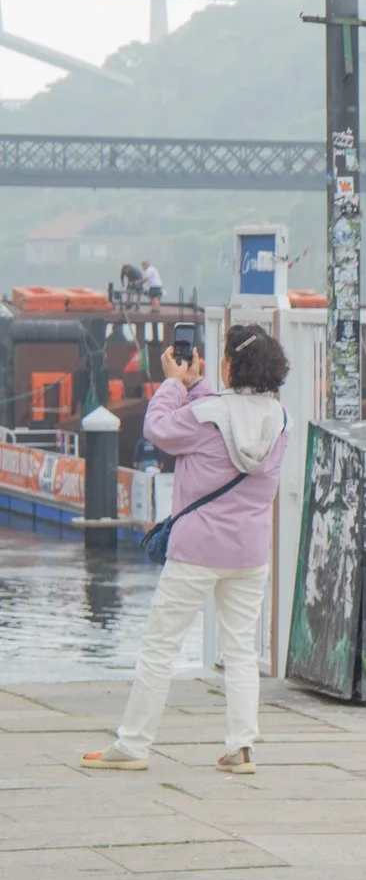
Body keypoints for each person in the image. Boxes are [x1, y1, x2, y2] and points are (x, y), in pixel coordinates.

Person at [80, 325, 292, 775]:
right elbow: (226, 412)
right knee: (239, 651)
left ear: (230, 366)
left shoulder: (207, 415)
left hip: (197, 550)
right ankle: (242, 747)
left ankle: (134, 744)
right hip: (250, 553)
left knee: (160, 646)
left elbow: (159, 428)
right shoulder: (281, 420)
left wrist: (174, 384)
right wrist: (195, 385)